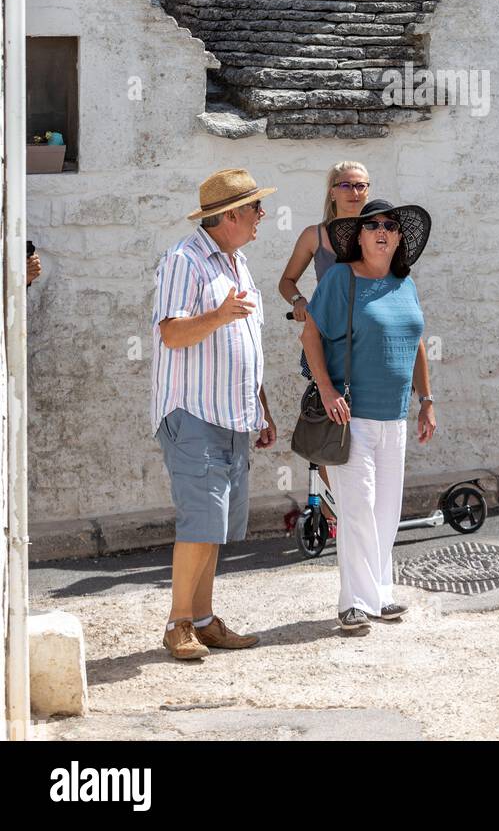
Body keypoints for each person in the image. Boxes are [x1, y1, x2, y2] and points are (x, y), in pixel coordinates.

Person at [152, 168, 278, 661]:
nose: (262, 215)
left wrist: (261, 408)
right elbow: (172, 333)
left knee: (216, 526)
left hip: (232, 415)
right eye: (255, 207)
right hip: (194, 413)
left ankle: (203, 621)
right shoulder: (183, 261)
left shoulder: (237, 263)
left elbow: (246, 341)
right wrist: (218, 315)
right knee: (200, 524)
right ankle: (177, 623)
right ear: (230, 216)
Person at [301, 198, 436, 633]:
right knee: (358, 509)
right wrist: (326, 389)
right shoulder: (341, 278)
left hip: (395, 416)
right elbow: (310, 335)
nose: (382, 231)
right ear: (358, 237)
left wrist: (426, 400)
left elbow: (417, 343)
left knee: (386, 511)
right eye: (373, 225)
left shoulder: (404, 284)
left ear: (399, 239)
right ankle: (353, 602)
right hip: (351, 416)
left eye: (390, 226)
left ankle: (380, 593)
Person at [278, 161, 371, 523]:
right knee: (332, 422)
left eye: (361, 186)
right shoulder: (314, 236)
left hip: (367, 342)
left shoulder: (377, 231)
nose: (354, 192)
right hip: (328, 342)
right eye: (346, 185)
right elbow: (287, 281)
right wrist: (299, 301)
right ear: (332, 191)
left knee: (367, 424)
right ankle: (337, 514)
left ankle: (360, 511)